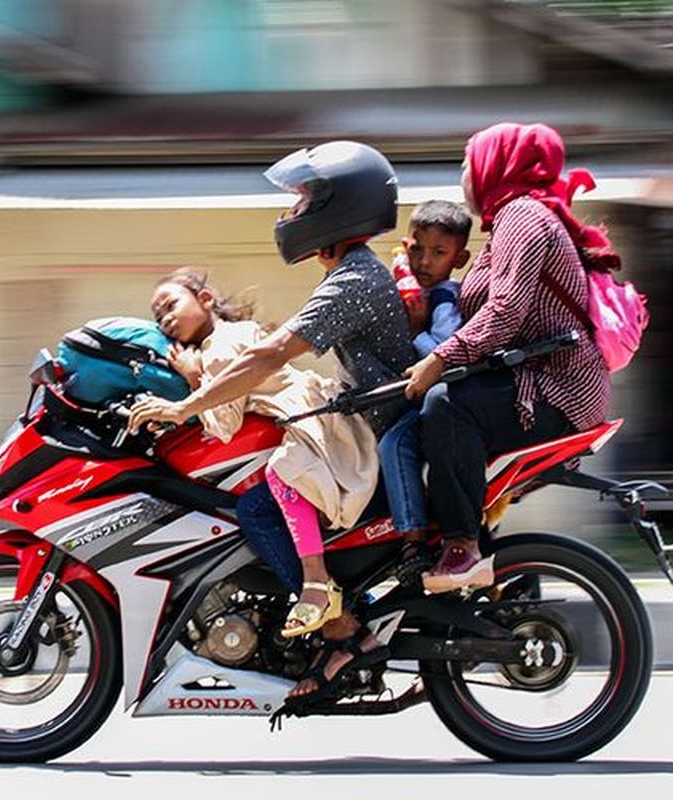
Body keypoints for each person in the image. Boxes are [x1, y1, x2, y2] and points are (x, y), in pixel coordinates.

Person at [128, 140, 415, 701]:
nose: (292, 215)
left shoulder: (354, 280)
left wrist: (186, 404)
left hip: (372, 428)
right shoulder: (349, 274)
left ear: (340, 208)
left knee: (262, 504)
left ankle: (340, 627)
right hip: (363, 421)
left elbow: (267, 357)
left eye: (305, 203)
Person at [403, 122, 613, 594]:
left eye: (466, 165)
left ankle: (462, 547)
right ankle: (486, 576)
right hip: (532, 384)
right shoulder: (508, 223)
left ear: (496, 166)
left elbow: (505, 311)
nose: (462, 177)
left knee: (446, 406)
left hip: (556, 391)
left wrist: (437, 360)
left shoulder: (522, 215)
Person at [148, 267, 379, 638]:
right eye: (158, 317)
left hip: (308, 423)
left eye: (171, 305)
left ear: (206, 300)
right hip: (317, 416)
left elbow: (225, 424)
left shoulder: (219, 349)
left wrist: (193, 379)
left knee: (258, 505)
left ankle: (320, 593)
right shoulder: (230, 337)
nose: (166, 320)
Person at [378, 200, 472, 584]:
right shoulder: (411, 287)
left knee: (394, 445)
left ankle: (413, 539)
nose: (424, 262)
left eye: (439, 253)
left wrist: (416, 327)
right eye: (417, 249)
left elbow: (445, 349)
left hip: (444, 400)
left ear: (460, 257)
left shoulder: (445, 297)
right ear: (404, 245)